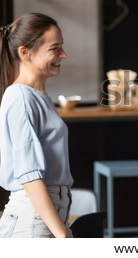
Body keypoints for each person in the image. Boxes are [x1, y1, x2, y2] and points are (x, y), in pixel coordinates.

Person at [0, 13, 73, 238]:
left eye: (62, 47)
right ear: (25, 53)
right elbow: (30, 176)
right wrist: (63, 236)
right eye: (54, 49)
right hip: (32, 220)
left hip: (42, 217)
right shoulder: (20, 97)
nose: (63, 54)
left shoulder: (37, 96)